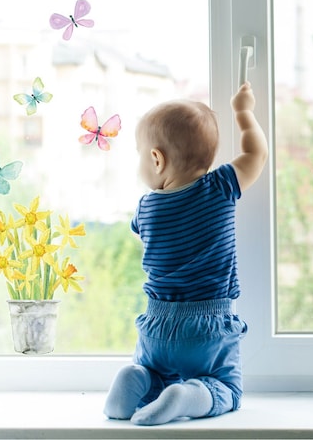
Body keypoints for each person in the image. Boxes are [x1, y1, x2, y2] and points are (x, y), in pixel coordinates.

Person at [103, 81, 268, 426]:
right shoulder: (221, 186)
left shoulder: (145, 209)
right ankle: (189, 396)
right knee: (225, 389)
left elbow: (148, 240)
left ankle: (135, 380)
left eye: (138, 154)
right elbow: (257, 155)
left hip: (157, 325)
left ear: (156, 159)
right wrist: (243, 111)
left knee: (155, 375)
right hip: (208, 325)